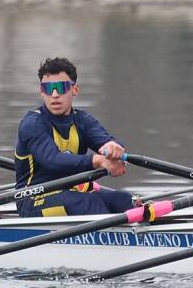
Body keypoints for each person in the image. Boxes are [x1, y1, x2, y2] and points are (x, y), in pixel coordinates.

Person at [14, 57, 133, 217]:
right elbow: (53, 160)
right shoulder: (32, 124)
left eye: (61, 87)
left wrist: (113, 150)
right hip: (33, 199)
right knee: (89, 202)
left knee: (124, 200)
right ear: (41, 91)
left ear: (75, 89)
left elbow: (105, 140)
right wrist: (98, 160)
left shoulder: (83, 120)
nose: (55, 95)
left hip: (71, 192)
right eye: (48, 89)